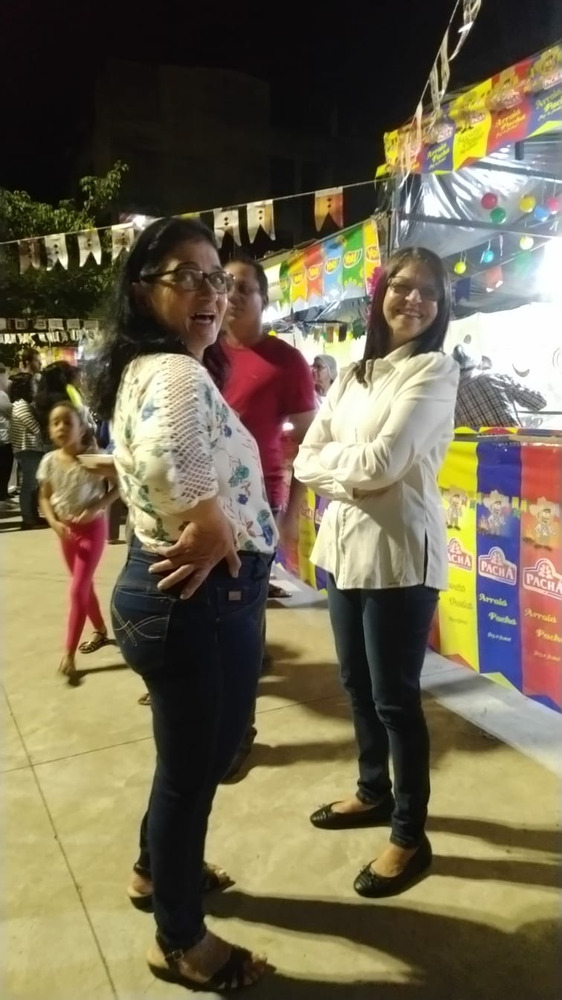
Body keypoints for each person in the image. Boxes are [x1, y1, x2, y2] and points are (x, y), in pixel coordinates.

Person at [91, 217, 276, 991]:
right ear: (144, 292)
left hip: (188, 596)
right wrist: (205, 514)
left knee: (192, 762)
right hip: (196, 598)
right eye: (187, 276)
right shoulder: (171, 371)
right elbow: (176, 445)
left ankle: (154, 868)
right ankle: (179, 940)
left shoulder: (150, 367)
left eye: (216, 279)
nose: (210, 292)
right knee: (194, 774)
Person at [294, 247, 459, 899]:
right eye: (401, 286)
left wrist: (343, 470)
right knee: (355, 685)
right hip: (343, 552)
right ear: (380, 294)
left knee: (394, 699)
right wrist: (351, 477)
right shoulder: (353, 375)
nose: (413, 300)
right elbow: (306, 457)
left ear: (441, 306)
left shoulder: (434, 370)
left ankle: (410, 835)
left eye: (428, 291)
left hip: (399, 556)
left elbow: (386, 463)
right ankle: (372, 790)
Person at [221, 255, 316, 773]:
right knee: (205, 615)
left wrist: (291, 514)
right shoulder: (201, 352)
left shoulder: (286, 362)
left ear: (263, 298)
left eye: (244, 287)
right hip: (202, 504)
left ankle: (238, 732)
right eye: (224, 284)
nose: (232, 295)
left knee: (241, 623)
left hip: (258, 505)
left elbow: (311, 443)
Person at [38, 400, 118, 682]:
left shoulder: (94, 458)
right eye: (55, 423)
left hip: (92, 531)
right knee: (84, 586)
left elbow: (120, 486)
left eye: (67, 422)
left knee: (77, 589)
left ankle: (69, 654)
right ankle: (100, 630)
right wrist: (54, 522)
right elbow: (44, 497)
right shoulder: (49, 461)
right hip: (66, 532)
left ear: (81, 427)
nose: (61, 427)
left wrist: (98, 506)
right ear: (49, 430)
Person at [452, 344, 546, 428]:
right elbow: (539, 402)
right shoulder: (498, 378)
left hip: (477, 443)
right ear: (480, 362)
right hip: (513, 441)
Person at [9, 372, 45, 529]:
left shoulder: (23, 404)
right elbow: (36, 429)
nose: (36, 388)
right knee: (29, 485)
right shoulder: (21, 406)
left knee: (32, 484)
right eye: (33, 385)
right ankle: (28, 519)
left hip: (28, 449)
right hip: (27, 449)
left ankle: (33, 517)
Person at [0, 365, 16, 511]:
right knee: (4, 468)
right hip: (3, 438)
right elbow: (12, 411)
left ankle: (4, 495)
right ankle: (2, 498)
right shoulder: (1, 395)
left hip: (4, 437)